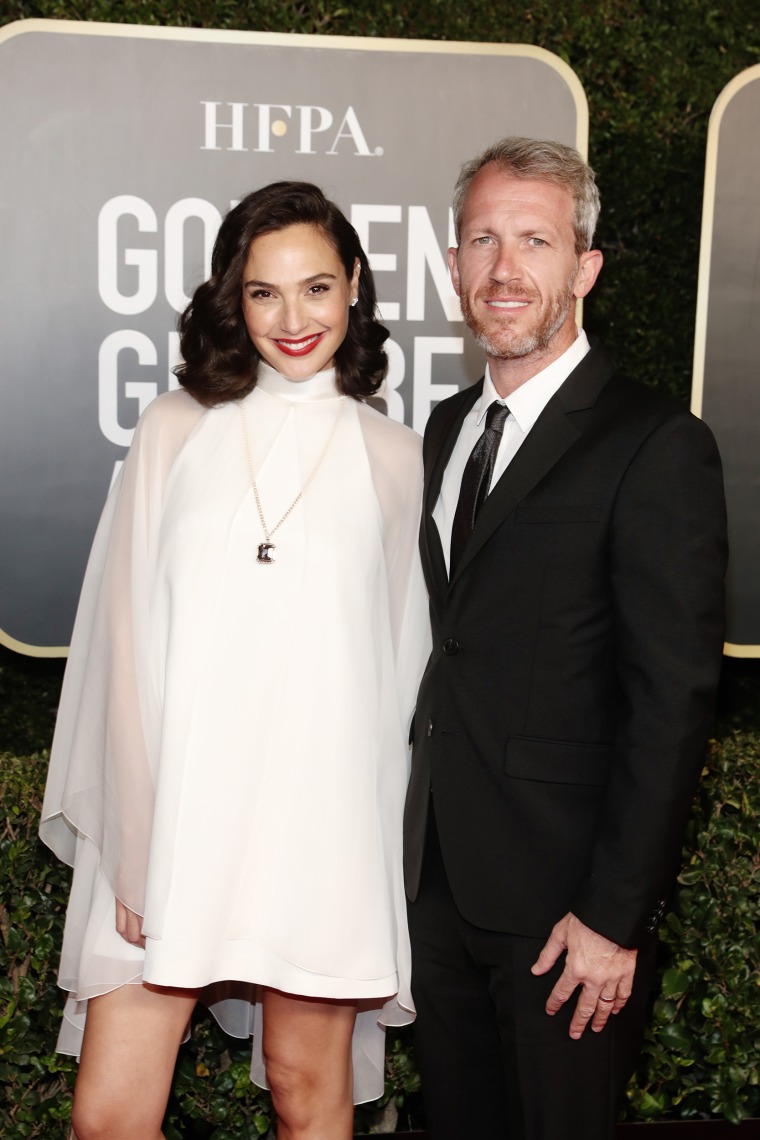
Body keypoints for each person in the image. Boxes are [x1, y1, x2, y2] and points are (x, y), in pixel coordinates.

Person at [40, 180, 430, 1140]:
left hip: (320, 830)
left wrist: (377, 863)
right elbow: (126, 646)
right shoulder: (175, 430)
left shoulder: (396, 455)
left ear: (354, 296)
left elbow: (400, 675)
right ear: (232, 301)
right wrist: (133, 843)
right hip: (173, 821)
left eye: (316, 289)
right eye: (264, 292)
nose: (292, 318)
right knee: (109, 1114)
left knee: (308, 1093)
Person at [403, 137, 728, 1140]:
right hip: (436, 887)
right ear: (453, 266)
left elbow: (669, 702)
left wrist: (611, 919)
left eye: (535, 241)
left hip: (564, 915)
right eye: (482, 241)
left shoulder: (652, 442)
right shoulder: (444, 427)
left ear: (582, 269)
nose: (505, 271)